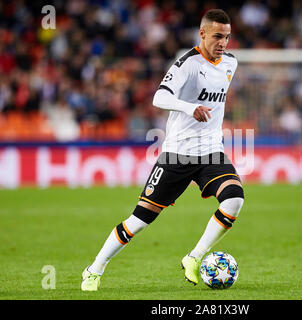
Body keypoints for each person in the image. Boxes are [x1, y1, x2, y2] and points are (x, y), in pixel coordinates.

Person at [81, 8, 244, 291]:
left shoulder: (231, 63)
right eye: (217, 36)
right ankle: (95, 269)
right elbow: (159, 97)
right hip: (177, 154)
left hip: (211, 153)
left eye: (227, 37)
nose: (223, 43)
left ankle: (194, 257)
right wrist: (189, 107)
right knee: (140, 220)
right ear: (202, 33)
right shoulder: (186, 64)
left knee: (234, 199)